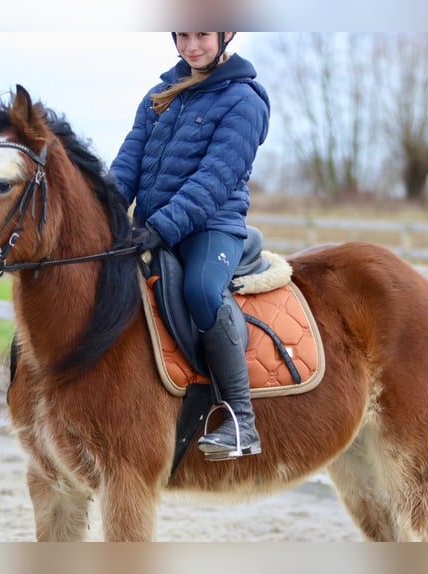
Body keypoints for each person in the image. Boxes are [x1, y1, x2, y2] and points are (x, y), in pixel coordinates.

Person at [109, 32, 270, 458]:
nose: (192, 46)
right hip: (153, 226)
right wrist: (101, 212)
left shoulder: (245, 101)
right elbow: (128, 163)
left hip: (211, 227)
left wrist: (160, 227)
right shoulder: (160, 95)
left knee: (200, 291)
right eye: (183, 36)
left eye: (202, 36)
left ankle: (241, 420)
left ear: (225, 35)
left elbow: (215, 179)